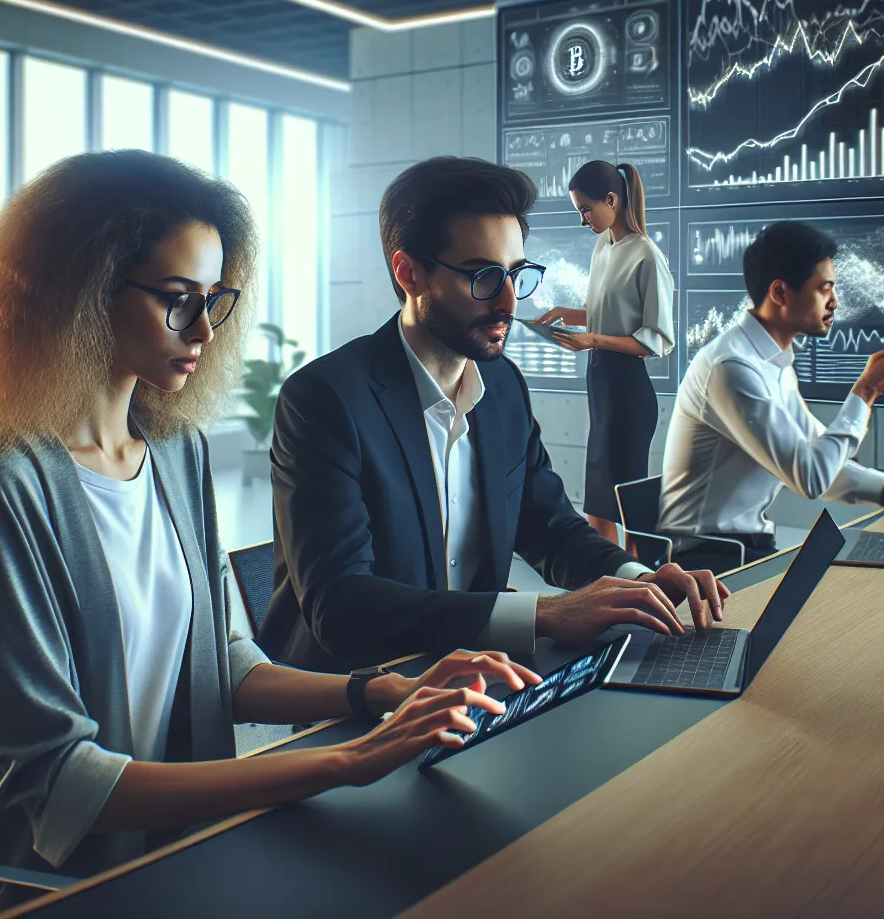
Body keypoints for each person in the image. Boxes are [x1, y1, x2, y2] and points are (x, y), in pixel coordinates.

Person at [0, 150, 538, 918]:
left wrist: (381, 692)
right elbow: (61, 781)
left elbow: (224, 665)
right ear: (82, 295)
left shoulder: (175, 452)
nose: (205, 328)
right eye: (178, 300)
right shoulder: (4, 485)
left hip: (187, 859)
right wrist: (345, 760)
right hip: (65, 889)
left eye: (214, 299)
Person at [259, 156, 726, 674]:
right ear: (408, 272)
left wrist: (639, 578)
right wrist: (542, 614)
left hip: (474, 677)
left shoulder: (501, 385)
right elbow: (341, 607)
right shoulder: (325, 399)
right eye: (483, 276)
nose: (508, 302)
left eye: (515, 274)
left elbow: (549, 524)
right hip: (355, 698)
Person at [659, 221, 884, 576]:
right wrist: (866, 391)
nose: (835, 302)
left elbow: (816, 455)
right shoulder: (732, 369)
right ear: (780, 293)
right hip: (711, 564)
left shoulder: (771, 360)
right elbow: (811, 477)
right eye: (824, 289)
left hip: (744, 549)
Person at [531, 160, 675, 546]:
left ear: (611, 199)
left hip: (628, 391)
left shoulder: (647, 256)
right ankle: (612, 586)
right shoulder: (603, 246)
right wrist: (569, 314)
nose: (582, 220)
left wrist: (592, 339)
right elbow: (610, 315)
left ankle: (642, 589)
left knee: (628, 508)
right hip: (600, 388)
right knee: (597, 504)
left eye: (585, 209)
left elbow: (654, 340)